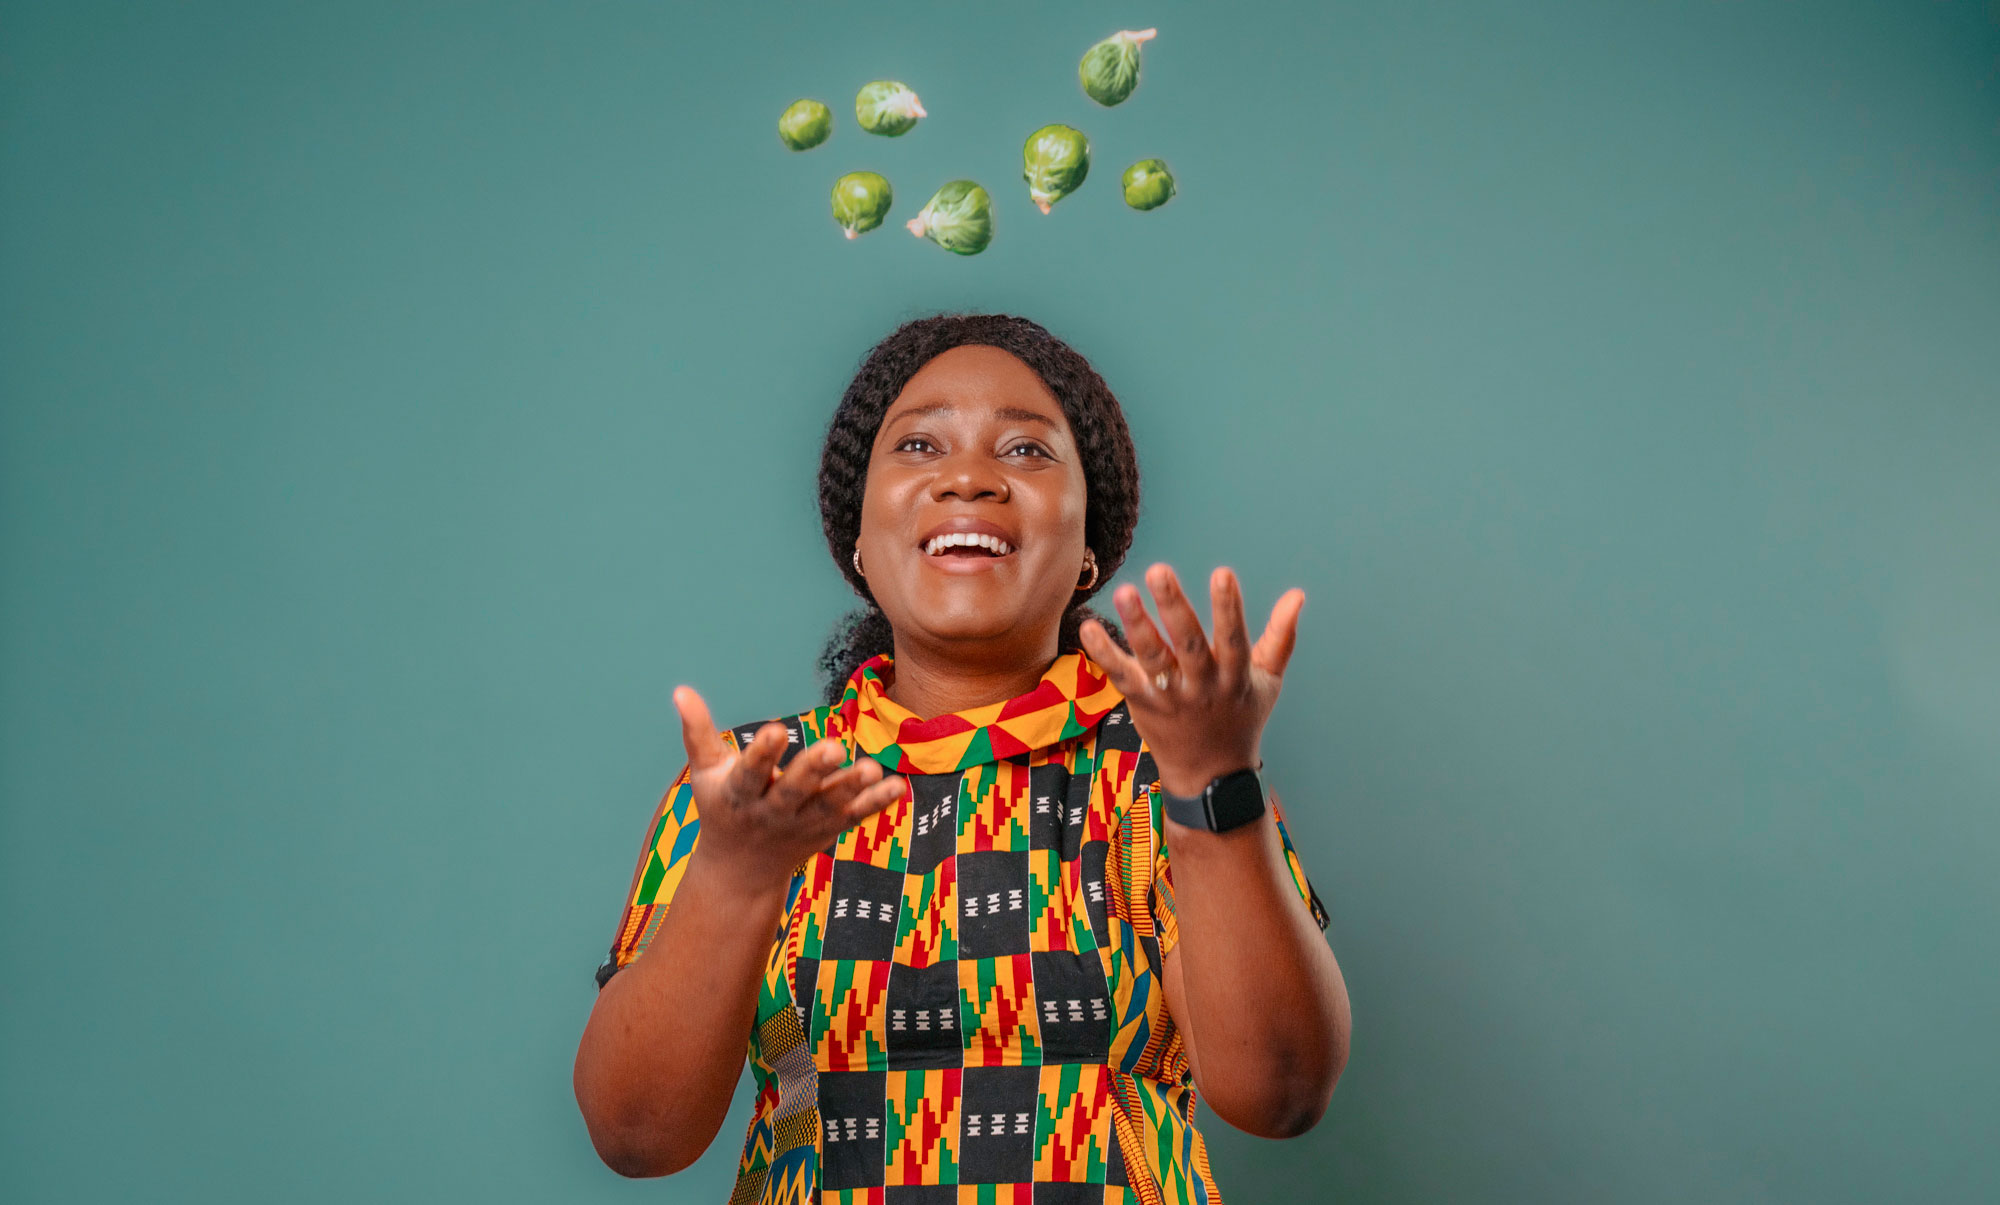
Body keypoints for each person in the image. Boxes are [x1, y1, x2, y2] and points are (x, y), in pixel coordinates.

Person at [574, 313, 1351, 1204]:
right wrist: (734, 875)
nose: (969, 477)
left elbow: (1280, 1093)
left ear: (1090, 542)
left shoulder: (1160, 768)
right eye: (917, 444)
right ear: (858, 540)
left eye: (1026, 451)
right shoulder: (753, 785)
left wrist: (1216, 785)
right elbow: (635, 1136)